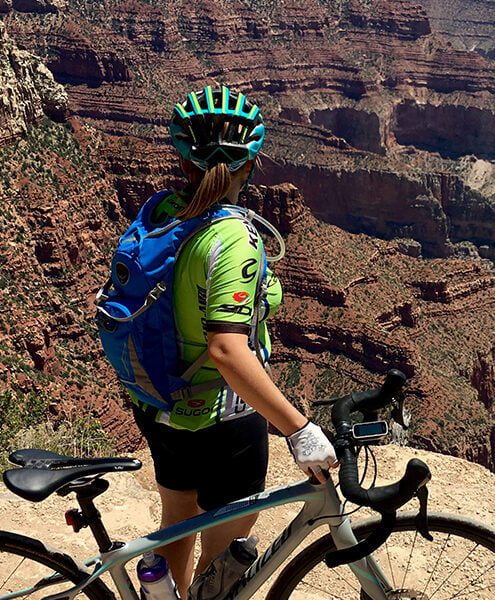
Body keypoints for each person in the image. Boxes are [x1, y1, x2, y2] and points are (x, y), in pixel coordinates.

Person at [116, 86, 337, 598]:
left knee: (177, 522)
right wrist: (298, 429)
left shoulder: (161, 211)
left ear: (183, 158)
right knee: (222, 563)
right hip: (224, 420)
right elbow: (227, 349)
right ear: (251, 165)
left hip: (162, 403)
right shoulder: (233, 236)